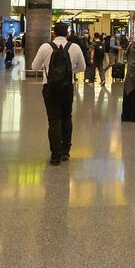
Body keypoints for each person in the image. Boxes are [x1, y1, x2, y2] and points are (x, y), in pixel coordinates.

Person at [33, 23, 86, 165]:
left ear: (54, 33)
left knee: (53, 120)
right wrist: (70, 71)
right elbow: (82, 67)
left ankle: (55, 156)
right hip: (67, 87)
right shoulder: (75, 47)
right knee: (67, 117)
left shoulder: (45, 47)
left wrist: (47, 67)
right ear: (67, 33)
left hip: (49, 87)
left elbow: (34, 66)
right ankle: (65, 151)